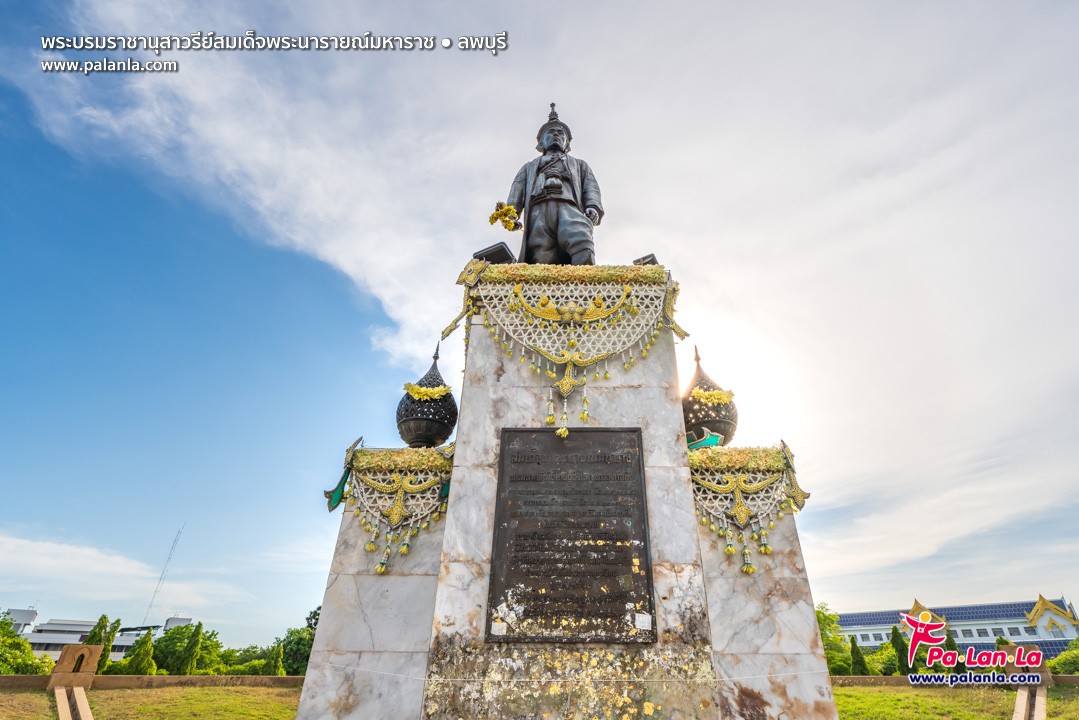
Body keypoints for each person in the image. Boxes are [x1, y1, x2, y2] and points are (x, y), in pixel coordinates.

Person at [506, 104, 604, 265]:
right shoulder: (529, 167)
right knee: (542, 255)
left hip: (569, 208)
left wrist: (593, 206)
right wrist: (511, 213)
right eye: (551, 133)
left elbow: (590, 187)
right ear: (541, 143)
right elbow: (516, 191)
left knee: (582, 241)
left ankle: (583, 284)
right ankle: (542, 290)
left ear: (567, 144)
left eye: (561, 134)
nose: (556, 135)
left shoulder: (579, 165)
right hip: (538, 212)